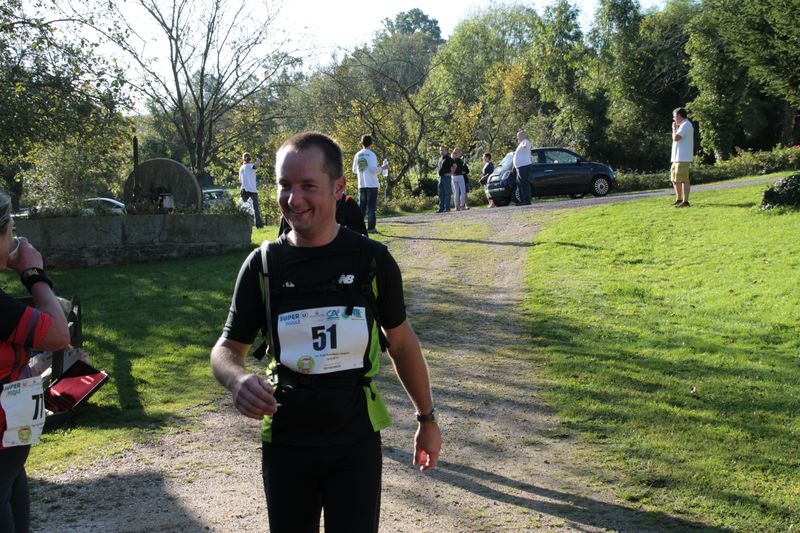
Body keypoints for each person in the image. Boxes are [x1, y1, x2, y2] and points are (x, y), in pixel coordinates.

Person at [210, 132, 441, 533]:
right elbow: (226, 349)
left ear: (338, 188)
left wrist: (427, 418)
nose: (293, 198)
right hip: (286, 441)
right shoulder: (263, 265)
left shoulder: (372, 261)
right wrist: (237, 379)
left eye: (307, 186)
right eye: (284, 185)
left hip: (354, 441)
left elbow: (402, 343)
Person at [0, 192, 70, 532]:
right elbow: (58, 334)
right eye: (11, 230)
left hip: (11, 446)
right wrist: (34, 274)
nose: (14, 239)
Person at [277, 191, 367, 236]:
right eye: (286, 185)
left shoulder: (348, 204)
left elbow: (364, 248)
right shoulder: (293, 208)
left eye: (309, 185)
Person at [351, 135, 386, 234]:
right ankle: (371, 228)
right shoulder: (372, 154)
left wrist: (362, 170)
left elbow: (354, 170)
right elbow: (372, 170)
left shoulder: (357, 155)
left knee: (361, 208)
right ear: (371, 143)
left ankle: (359, 228)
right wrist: (382, 168)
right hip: (372, 184)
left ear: (361, 143)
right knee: (371, 208)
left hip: (361, 184)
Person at [671, 107, 694, 208]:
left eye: (674, 117)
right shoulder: (682, 125)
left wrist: (674, 129)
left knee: (684, 179)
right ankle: (679, 199)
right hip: (677, 157)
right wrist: (676, 128)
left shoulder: (686, 124)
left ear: (679, 116)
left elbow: (676, 138)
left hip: (683, 157)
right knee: (675, 179)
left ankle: (685, 201)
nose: (674, 119)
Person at [239, 152, 264, 228]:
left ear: (243, 159)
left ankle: (244, 225)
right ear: (250, 158)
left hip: (243, 190)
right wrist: (258, 160)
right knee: (255, 208)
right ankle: (258, 225)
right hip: (252, 190)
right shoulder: (251, 166)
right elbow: (256, 166)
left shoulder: (241, 168)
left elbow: (240, 180)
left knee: (244, 208)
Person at [513, 130, 534, 205]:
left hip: (524, 166)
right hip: (520, 167)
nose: (517, 137)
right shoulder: (522, 143)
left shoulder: (525, 141)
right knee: (520, 184)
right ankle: (522, 200)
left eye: (519, 136)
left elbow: (524, 145)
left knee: (524, 183)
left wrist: (523, 146)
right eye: (517, 136)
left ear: (523, 136)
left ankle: (526, 200)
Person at [436, 146, 453, 213]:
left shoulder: (449, 158)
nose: (441, 151)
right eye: (440, 150)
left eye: (443, 150)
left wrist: (450, 173)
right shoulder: (440, 159)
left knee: (447, 193)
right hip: (440, 178)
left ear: (446, 151)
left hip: (446, 178)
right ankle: (441, 208)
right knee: (440, 193)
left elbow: (455, 166)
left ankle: (447, 208)